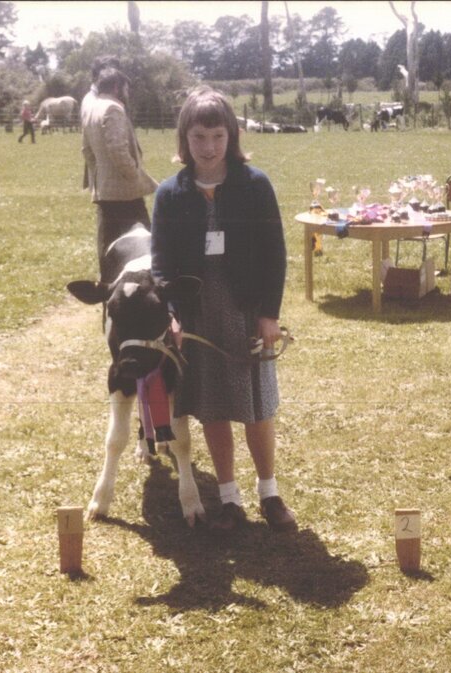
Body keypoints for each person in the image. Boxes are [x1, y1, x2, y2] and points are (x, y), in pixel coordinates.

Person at [150, 86, 296, 533]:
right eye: (199, 137)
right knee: (213, 407)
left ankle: (269, 493)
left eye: (217, 136)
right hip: (199, 318)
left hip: (246, 311)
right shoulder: (170, 194)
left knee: (257, 406)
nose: (209, 147)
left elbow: (275, 254)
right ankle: (229, 498)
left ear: (231, 136)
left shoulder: (255, 186)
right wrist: (172, 314)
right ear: (184, 138)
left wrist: (268, 314)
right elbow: (161, 264)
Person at [80, 66, 157, 281]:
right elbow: (118, 149)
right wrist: (134, 177)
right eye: (126, 88)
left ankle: (108, 290)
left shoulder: (91, 108)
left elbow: (86, 150)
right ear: (116, 86)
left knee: (107, 246)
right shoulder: (113, 108)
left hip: (104, 191)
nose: (127, 93)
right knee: (145, 247)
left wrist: (99, 178)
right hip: (125, 193)